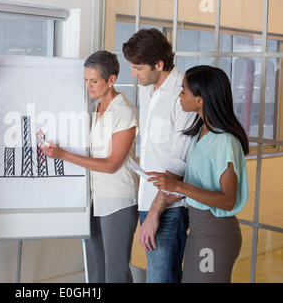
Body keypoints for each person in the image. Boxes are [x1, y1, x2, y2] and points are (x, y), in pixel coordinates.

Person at [41, 50, 139, 283]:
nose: (88, 86)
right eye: (86, 80)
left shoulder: (124, 111)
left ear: (111, 80)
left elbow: (112, 164)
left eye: (94, 81)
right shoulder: (95, 108)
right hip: (94, 199)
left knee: (116, 273)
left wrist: (63, 155)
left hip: (117, 200)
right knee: (95, 270)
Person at [148, 65, 248, 283]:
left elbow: (227, 201)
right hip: (198, 231)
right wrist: (178, 189)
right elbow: (204, 182)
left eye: (183, 90)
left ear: (201, 99)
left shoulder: (225, 142)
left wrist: (179, 187)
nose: (180, 95)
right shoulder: (202, 132)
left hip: (214, 234)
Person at [122, 28, 196, 283]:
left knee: (160, 279)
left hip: (169, 208)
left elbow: (178, 162)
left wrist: (154, 214)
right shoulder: (148, 87)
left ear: (159, 64)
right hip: (147, 199)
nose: (133, 74)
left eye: (138, 68)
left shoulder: (183, 94)